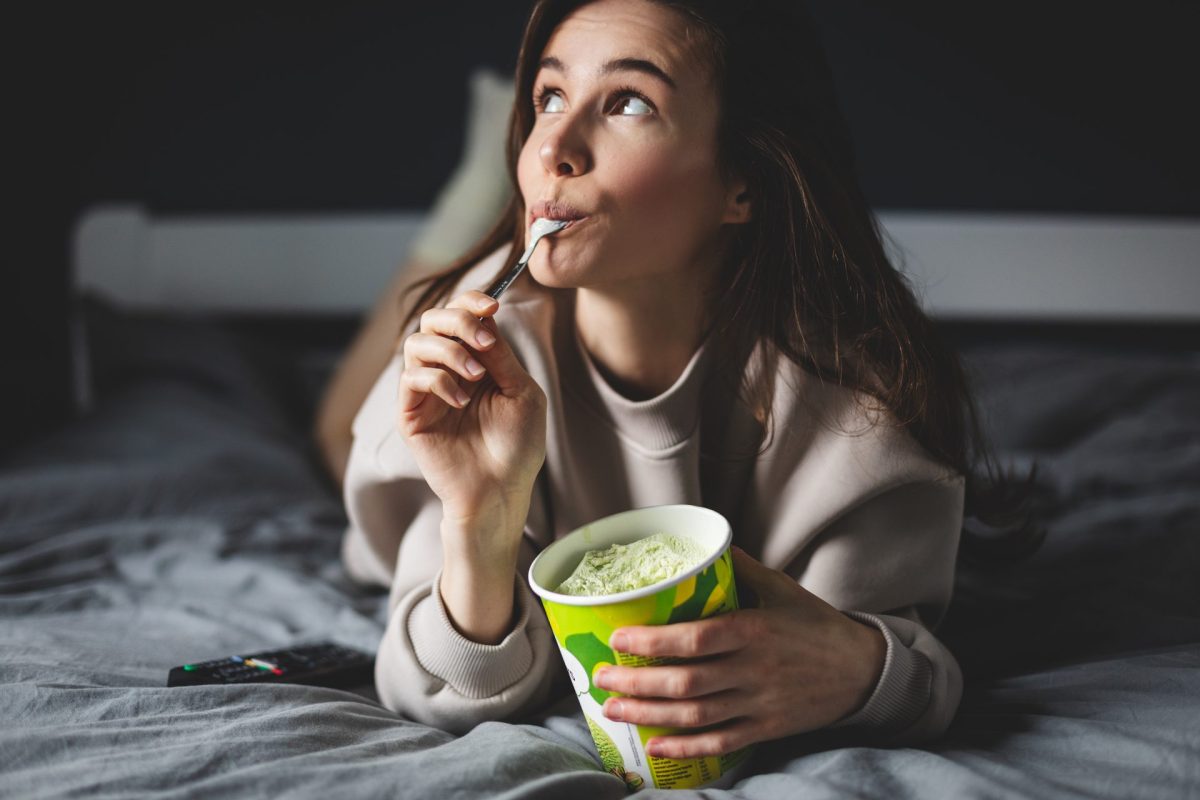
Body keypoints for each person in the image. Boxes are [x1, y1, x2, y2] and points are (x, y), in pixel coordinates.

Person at [336, 0, 1039, 760]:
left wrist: (865, 669)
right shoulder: (479, 358)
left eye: (629, 102)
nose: (554, 149)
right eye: (549, 98)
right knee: (331, 434)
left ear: (742, 182)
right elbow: (432, 689)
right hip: (396, 469)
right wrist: (480, 517)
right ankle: (480, 173)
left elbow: (912, 672)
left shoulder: (855, 404)